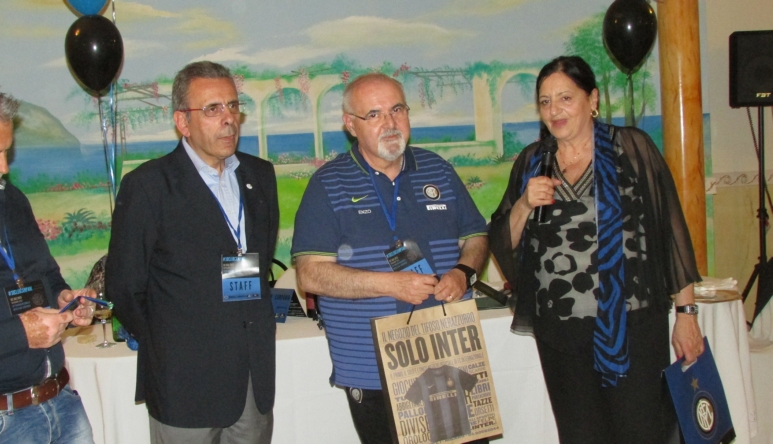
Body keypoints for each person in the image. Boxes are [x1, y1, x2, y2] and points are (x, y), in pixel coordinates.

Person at [488, 56, 704, 444]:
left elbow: (671, 231)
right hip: (561, 334)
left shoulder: (632, 148)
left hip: (633, 328)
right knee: (580, 436)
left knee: (640, 434)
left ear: (593, 100)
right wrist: (523, 204)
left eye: (565, 98)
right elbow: (502, 240)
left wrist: (687, 314)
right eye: (545, 102)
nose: (554, 110)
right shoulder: (533, 161)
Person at [291, 73, 488, 443]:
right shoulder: (328, 184)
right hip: (374, 368)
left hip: (449, 355)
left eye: (397, 110)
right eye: (374, 114)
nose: (390, 122)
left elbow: (476, 235)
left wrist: (464, 272)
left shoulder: (438, 169)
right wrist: (390, 284)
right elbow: (310, 275)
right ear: (350, 125)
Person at [106, 61, 278, 444]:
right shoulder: (148, 186)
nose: (228, 119)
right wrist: (170, 343)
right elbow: (124, 287)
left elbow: (261, 260)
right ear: (182, 122)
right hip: (183, 383)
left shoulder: (260, 176)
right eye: (212, 109)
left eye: (233, 106)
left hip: (252, 381)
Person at [0, 79, 95, 442]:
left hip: (60, 401)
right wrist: (20, 334)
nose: (2, 166)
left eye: (6, 151)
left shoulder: (11, 199)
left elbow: (45, 273)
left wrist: (64, 298)